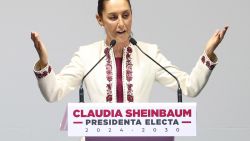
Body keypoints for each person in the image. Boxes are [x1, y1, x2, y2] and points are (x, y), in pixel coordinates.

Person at [31, 0, 228, 141]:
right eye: (113, 17)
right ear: (99, 19)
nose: (121, 23)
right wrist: (43, 62)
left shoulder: (149, 52)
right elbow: (53, 93)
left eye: (126, 15)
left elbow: (189, 87)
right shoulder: (86, 55)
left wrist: (208, 54)